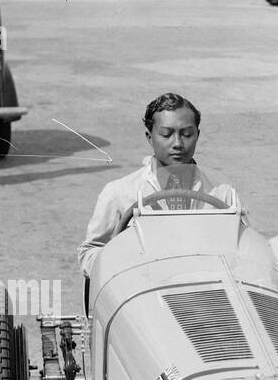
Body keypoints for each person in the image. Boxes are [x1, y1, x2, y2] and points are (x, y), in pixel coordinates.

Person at [77, 93, 241, 281]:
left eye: (187, 134)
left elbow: (242, 247)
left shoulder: (222, 189)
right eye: (166, 134)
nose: (178, 144)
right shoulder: (119, 193)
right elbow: (89, 253)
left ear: (197, 135)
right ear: (149, 137)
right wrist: (121, 261)